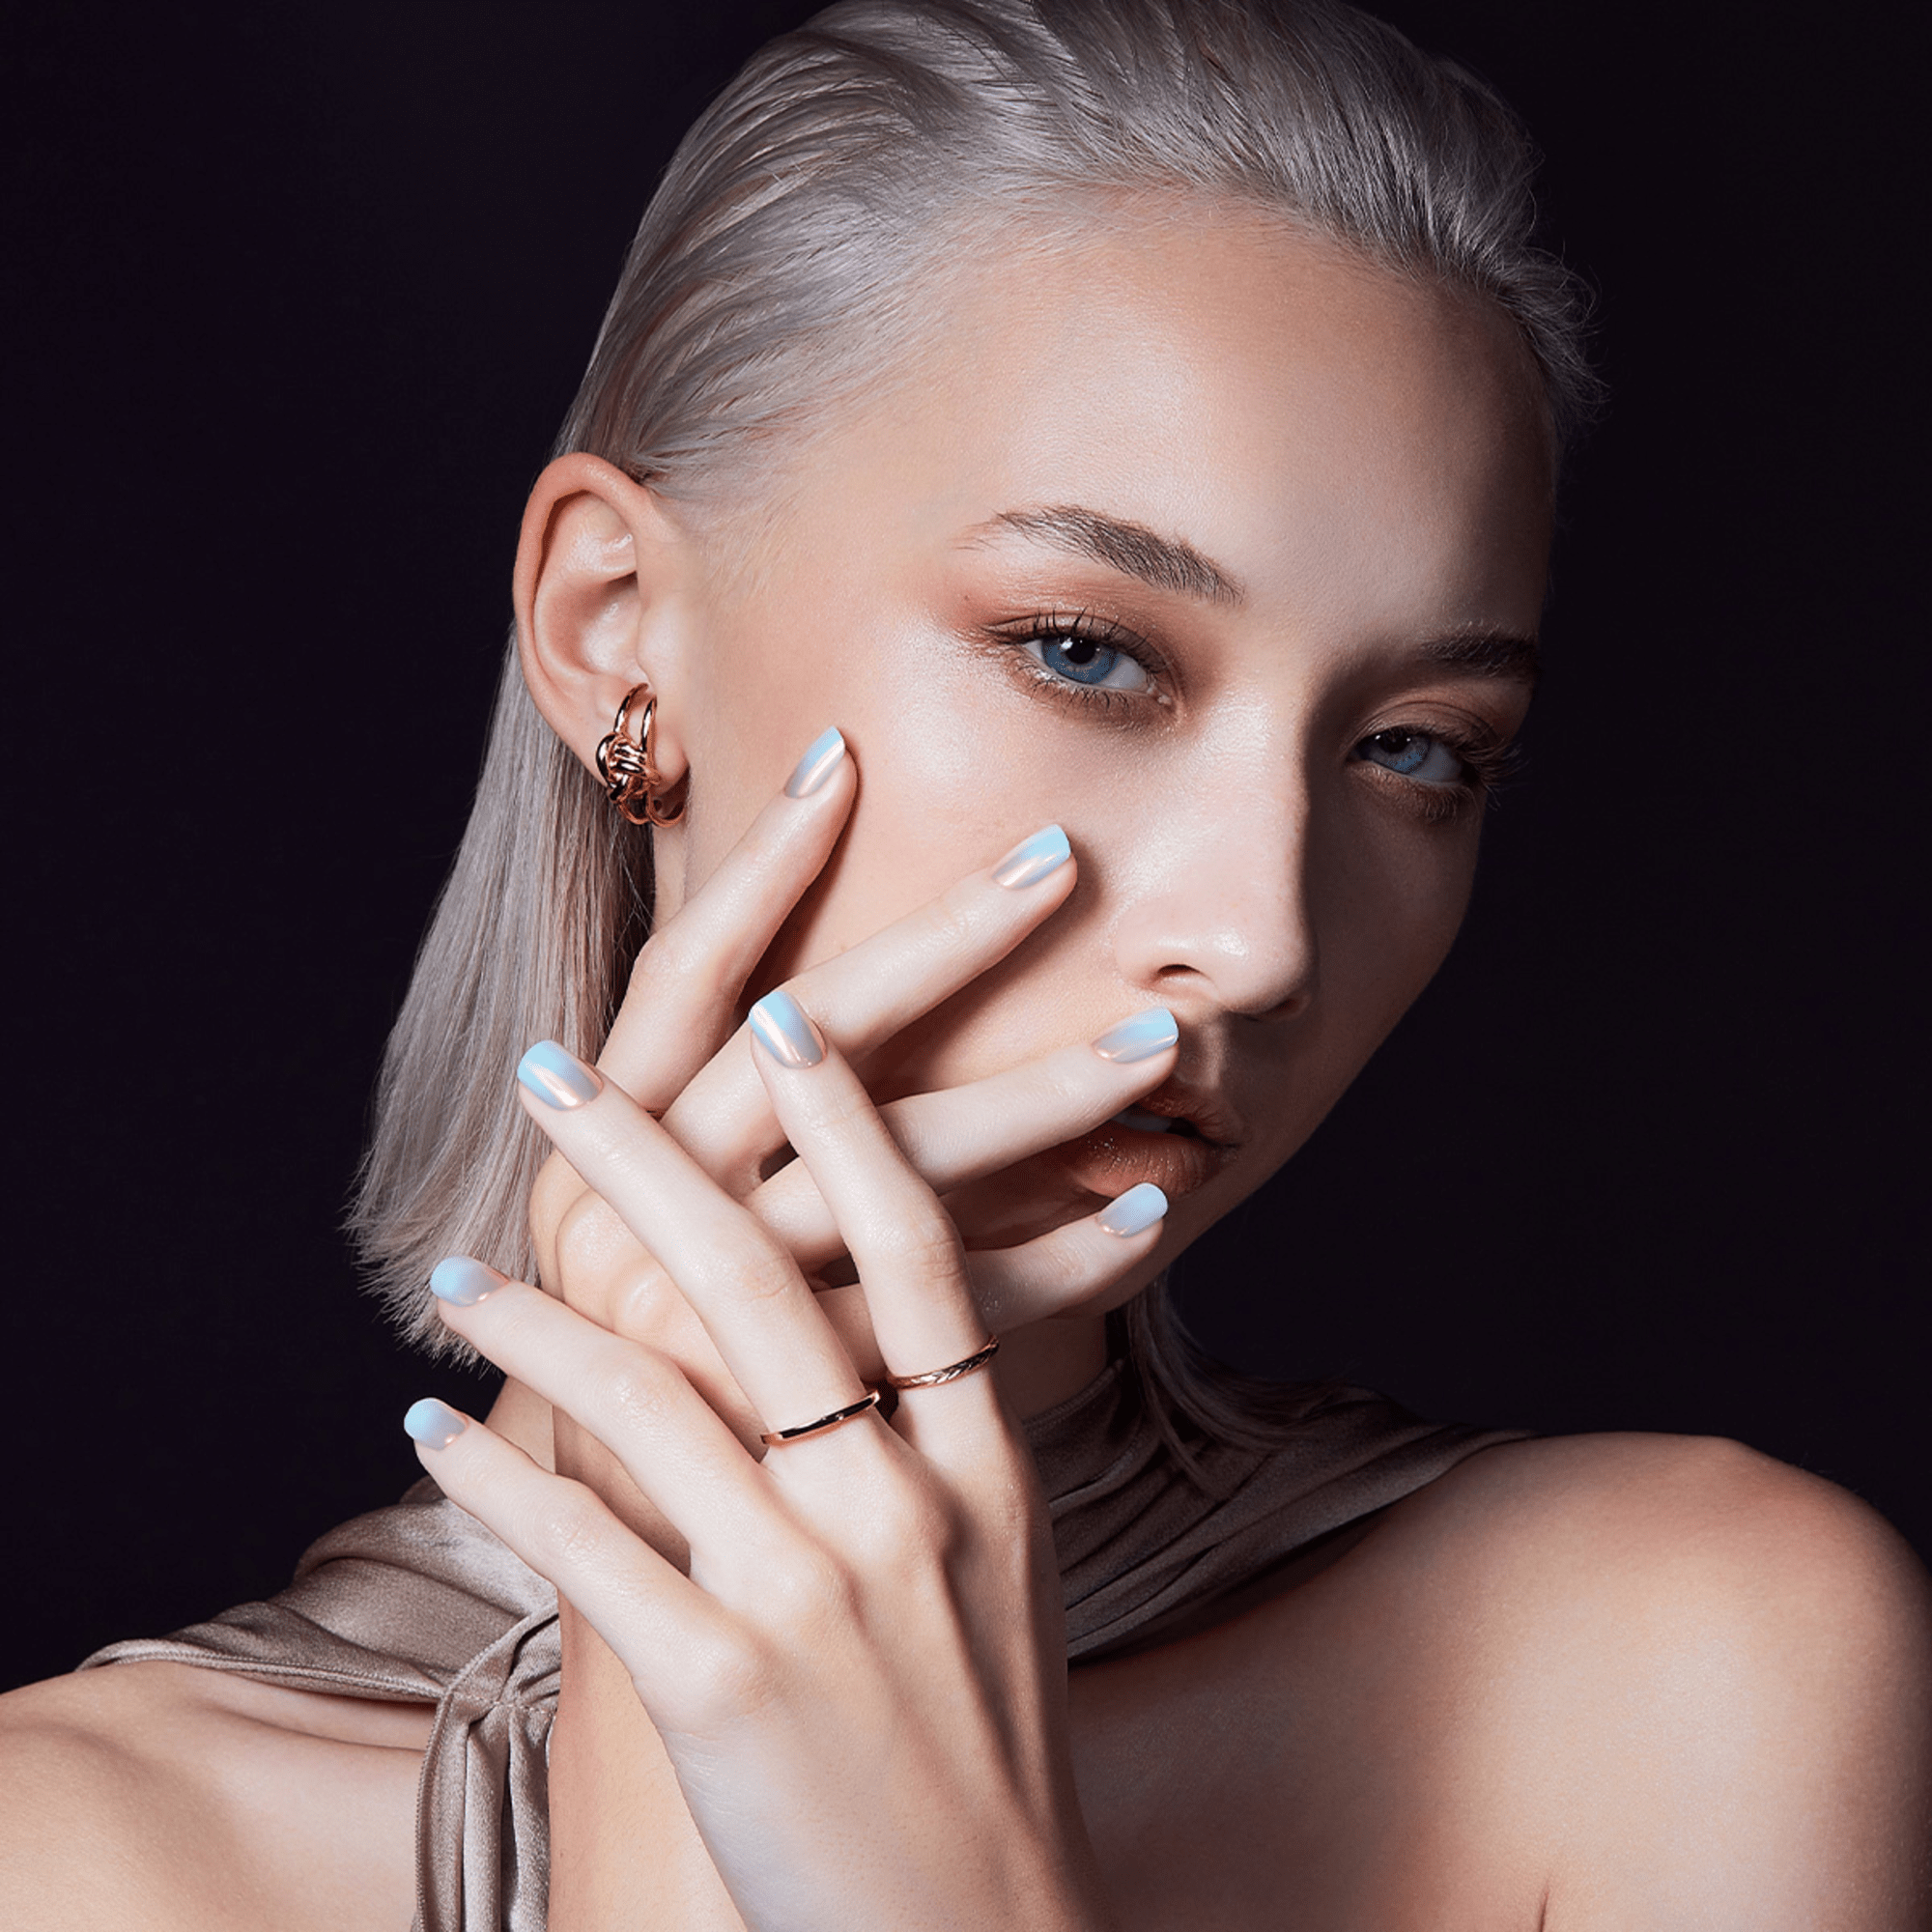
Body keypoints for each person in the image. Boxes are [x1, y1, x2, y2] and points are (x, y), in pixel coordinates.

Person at [3, 0, 1925, 1926]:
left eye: (1412, 748)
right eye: (1088, 650)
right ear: (615, 632)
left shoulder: (1676, 1672)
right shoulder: (75, 1852)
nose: (1256, 937)